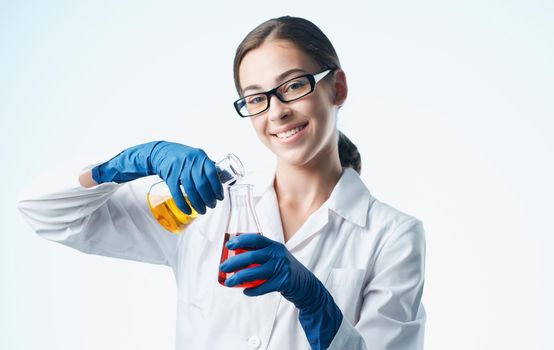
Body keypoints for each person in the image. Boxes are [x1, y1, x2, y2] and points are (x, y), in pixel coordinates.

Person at [18, 16, 426, 350]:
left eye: (293, 86)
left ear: (337, 87)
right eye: (255, 98)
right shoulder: (204, 205)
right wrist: (121, 165)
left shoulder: (393, 236)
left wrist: (316, 303)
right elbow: (43, 212)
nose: (276, 112)